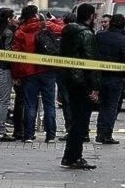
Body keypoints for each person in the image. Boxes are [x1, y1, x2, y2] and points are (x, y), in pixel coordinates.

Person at [11, 7, 62, 143]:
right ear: (35, 14)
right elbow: (64, 29)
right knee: (49, 104)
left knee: (30, 104)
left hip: (29, 73)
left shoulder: (20, 32)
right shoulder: (46, 25)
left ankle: (28, 135)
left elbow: (16, 56)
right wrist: (54, 20)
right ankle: (50, 135)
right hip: (47, 70)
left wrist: (16, 75)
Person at [60, 3, 100, 170]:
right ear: (90, 16)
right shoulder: (86, 34)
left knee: (76, 118)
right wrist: (94, 88)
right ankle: (74, 156)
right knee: (81, 122)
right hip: (82, 82)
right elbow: (90, 62)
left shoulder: (68, 30)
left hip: (69, 78)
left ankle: (70, 156)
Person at [94, 14, 125, 144]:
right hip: (116, 78)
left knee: (103, 105)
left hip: (100, 76)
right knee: (111, 106)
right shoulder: (124, 40)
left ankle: (99, 133)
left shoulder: (99, 36)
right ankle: (106, 135)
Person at [56, 11, 77, 141]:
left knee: (67, 103)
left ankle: (70, 129)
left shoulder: (62, 36)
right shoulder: (83, 34)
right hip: (77, 74)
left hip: (64, 73)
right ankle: (78, 130)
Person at [0, 8, 15, 141]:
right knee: (4, 100)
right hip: (4, 68)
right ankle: (1, 129)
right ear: (8, 18)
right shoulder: (8, 32)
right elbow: (9, 53)